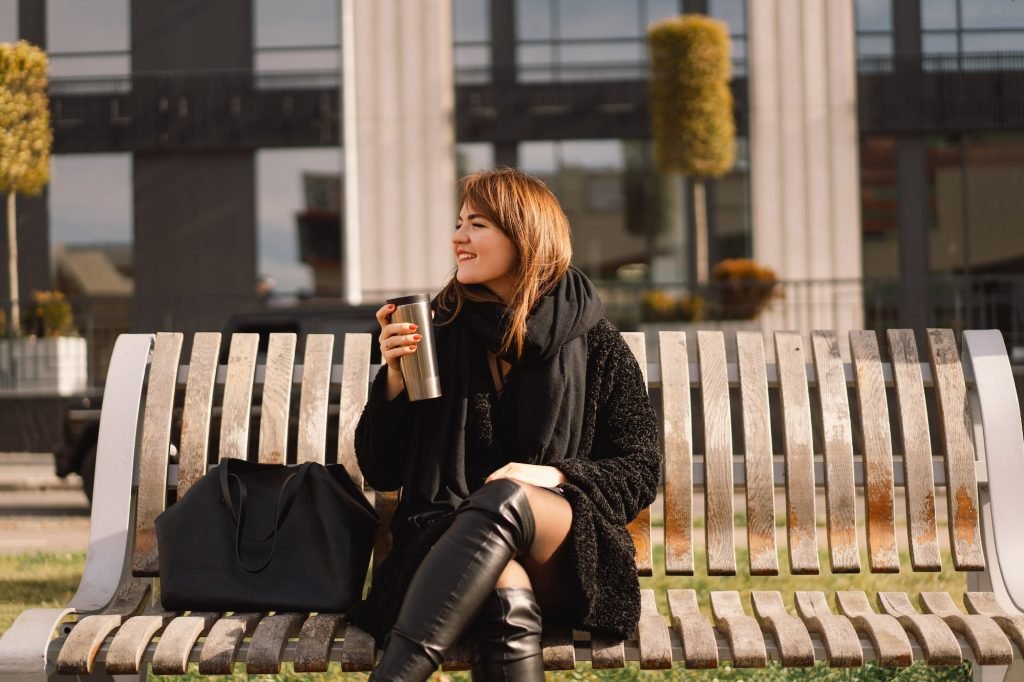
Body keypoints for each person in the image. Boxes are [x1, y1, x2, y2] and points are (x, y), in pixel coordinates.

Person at [345, 168, 662, 681]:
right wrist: (395, 383)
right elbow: (381, 470)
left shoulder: (594, 341)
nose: (457, 238)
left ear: (524, 236)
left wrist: (555, 476)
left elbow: (641, 468)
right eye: (458, 223)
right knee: (502, 592)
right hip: (440, 548)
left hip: (563, 553)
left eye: (477, 225)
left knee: (507, 496)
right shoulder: (437, 333)